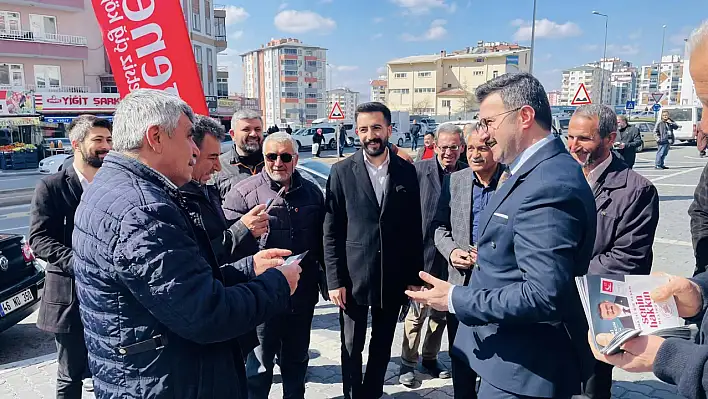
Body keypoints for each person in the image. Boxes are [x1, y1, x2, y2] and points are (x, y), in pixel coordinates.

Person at [71, 89, 303, 399]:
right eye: (188, 137)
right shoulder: (142, 211)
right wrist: (277, 283)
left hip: (153, 373)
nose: (194, 150)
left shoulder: (120, 189)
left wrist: (249, 268)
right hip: (165, 381)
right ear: (156, 137)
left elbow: (181, 285)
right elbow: (206, 314)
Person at [406, 73, 597, 399]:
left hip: (525, 370)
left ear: (524, 117)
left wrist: (454, 298)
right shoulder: (531, 171)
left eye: (490, 121)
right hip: (509, 357)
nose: (486, 133)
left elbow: (542, 294)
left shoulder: (548, 183)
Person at [324, 101, 424, 399]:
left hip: (392, 277)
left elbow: (413, 228)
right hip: (353, 277)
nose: (371, 135)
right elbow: (331, 230)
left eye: (377, 128)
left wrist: (413, 276)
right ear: (357, 133)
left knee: (382, 343)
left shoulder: (406, 171)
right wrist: (334, 280)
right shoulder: (341, 172)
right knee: (352, 345)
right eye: (364, 129)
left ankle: (372, 393)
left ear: (389, 130)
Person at [223, 132, 326, 399]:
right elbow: (226, 248)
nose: (278, 162)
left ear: (296, 158)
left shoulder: (313, 193)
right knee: (258, 370)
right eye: (271, 156)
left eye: (285, 156)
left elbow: (322, 243)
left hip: (301, 297)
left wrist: (326, 282)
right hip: (261, 299)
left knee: (296, 364)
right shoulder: (242, 194)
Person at [568, 104, 660, 399]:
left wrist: (566, 274)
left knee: (592, 385)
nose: (574, 146)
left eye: (584, 139)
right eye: (569, 137)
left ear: (610, 138)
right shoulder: (562, 176)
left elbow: (627, 258)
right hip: (555, 303)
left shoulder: (636, 190)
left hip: (598, 306)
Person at [30, 115, 112, 399]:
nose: (106, 147)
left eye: (109, 140)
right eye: (98, 140)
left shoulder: (114, 184)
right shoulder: (51, 187)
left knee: (111, 372)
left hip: (110, 297)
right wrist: (80, 263)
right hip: (70, 298)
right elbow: (38, 239)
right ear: (76, 144)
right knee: (70, 375)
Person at [431, 124, 503, 398]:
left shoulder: (511, 181)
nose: (475, 155)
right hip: (460, 284)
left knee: (494, 357)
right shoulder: (456, 180)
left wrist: (489, 255)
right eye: (470, 148)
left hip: (497, 286)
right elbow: (439, 227)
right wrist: (451, 252)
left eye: (482, 148)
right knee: (460, 354)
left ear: (495, 149)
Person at [398, 124, 467, 387]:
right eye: (444, 146)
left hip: (452, 258)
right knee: (416, 314)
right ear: (435, 146)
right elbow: (405, 218)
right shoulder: (418, 171)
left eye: (454, 147)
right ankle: (407, 362)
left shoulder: (466, 172)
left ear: (460, 147)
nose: (449, 152)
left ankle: (430, 358)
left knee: (440, 314)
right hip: (421, 255)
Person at [211, 109, 266, 201]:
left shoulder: (274, 163)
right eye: (246, 129)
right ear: (232, 134)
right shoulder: (217, 166)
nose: (253, 134)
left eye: (257, 129)